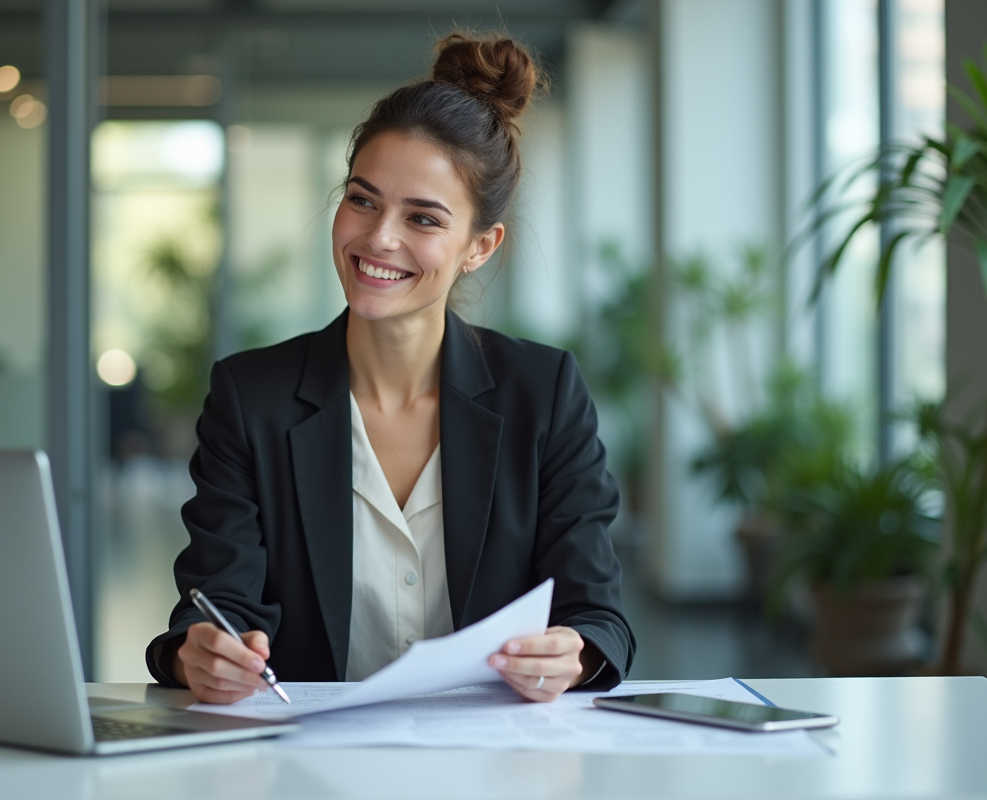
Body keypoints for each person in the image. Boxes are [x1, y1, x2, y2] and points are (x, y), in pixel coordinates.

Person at [146, 32, 635, 704]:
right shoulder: (249, 396)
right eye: (363, 199)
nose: (378, 238)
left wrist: (572, 654)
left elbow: (597, 615)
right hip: (304, 762)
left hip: (491, 758)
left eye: (424, 218)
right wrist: (196, 654)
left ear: (480, 246)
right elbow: (215, 605)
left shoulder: (542, 394)